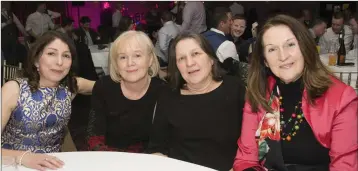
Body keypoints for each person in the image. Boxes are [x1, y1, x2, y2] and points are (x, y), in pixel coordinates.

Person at [233, 14, 357, 171]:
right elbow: (246, 158)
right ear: (265, 60)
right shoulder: (258, 93)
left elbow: (344, 166)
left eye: (290, 45)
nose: (283, 56)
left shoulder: (341, 97)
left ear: (304, 47)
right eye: (272, 49)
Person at [147, 32, 246, 171]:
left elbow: (251, 145)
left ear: (211, 59)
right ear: (177, 66)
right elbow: (156, 148)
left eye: (195, 54)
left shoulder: (235, 89)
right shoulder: (167, 96)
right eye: (181, 58)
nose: (189, 63)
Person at [1, 31, 95, 171]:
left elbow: (107, 88)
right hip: (12, 164)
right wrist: (25, 157)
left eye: (66, 56)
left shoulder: (70, 87)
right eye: (51, 53)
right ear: (36, 60)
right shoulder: (14, 89)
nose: (59, 62)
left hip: (53, 166)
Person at [87, 31, 167, 152]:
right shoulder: (104, 87)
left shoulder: (163, 92)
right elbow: (94, 136)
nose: (130, 63)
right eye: (123, 57)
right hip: (110, 159)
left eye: (137, 55)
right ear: (116, 63)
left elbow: (166, 142)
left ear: (150, 59)